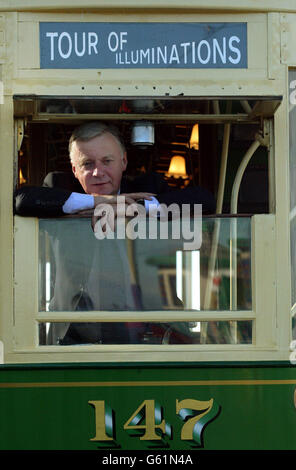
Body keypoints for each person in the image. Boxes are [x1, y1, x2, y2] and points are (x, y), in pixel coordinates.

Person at [14, 122, 216, 345]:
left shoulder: (149, 186)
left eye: (107, 161)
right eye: (87, 164)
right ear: (74, 169)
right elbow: (21, 200)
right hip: (72, 329)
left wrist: (137, 207)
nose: (98, 172)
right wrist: (97, 201)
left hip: (147, 327)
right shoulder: (57, 185)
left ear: (124, 162)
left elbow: (205, 200)